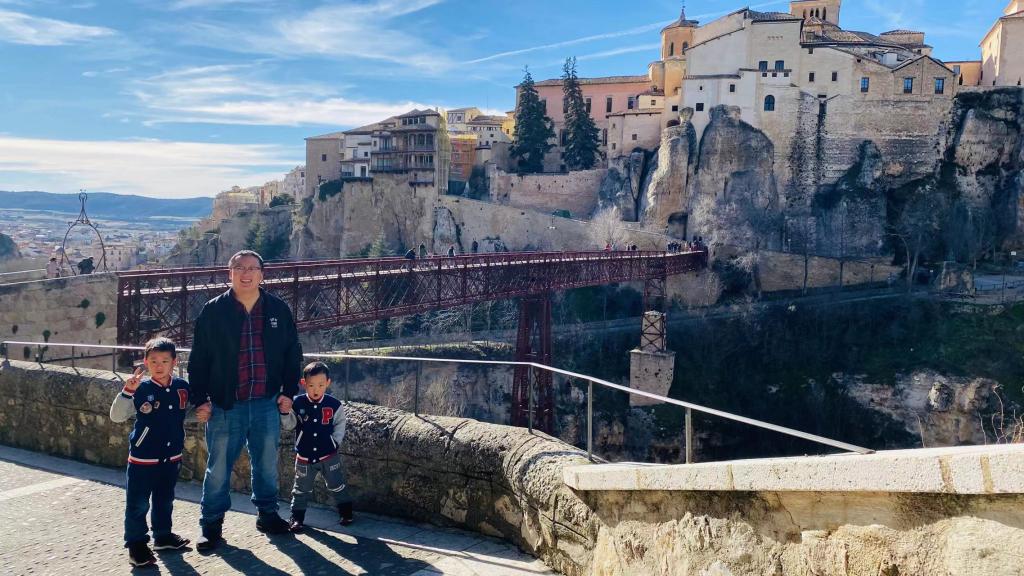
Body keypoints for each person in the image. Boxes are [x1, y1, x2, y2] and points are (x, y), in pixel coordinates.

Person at [189, 250, 303, 550]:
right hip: (226, 404)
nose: (246, 273)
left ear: (262, 274)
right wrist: (200, 399)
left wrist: (289, 392)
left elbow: (293, 352)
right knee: (218, 469)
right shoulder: (214, 311)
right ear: (230, 273)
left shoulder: (277, 308)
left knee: (266, 465)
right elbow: (199, 359)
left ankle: (267, 515)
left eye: (252, 268)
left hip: (266, 402)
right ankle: (210, 525)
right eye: (239, 268)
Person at [109, 337, 192, 567]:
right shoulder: (141, 388)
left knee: (165, 499)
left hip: (172, 456)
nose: (159, 365)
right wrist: (127, 391)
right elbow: (117, 416)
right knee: (138, 504)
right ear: (146, 362)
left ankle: (163, 537)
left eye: (165, 360)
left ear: (174, 362)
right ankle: (136, 545)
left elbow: (185, 413)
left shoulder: (182, 387)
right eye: (153, 360)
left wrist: (204, 411)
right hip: (143, 458)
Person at [280, 361, 353, 532]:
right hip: (304, 456)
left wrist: (335, 442)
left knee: (337, 484)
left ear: (328, 383)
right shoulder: (297, 403)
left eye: (320, 385)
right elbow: (290, 425)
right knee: (300, 489)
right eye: (311, 385)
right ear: (303, 383)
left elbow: (340, 424)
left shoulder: (334, 405)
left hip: (329, 455)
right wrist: (284, 413)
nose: (316, 389)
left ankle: (346, 512)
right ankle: (296, 518)